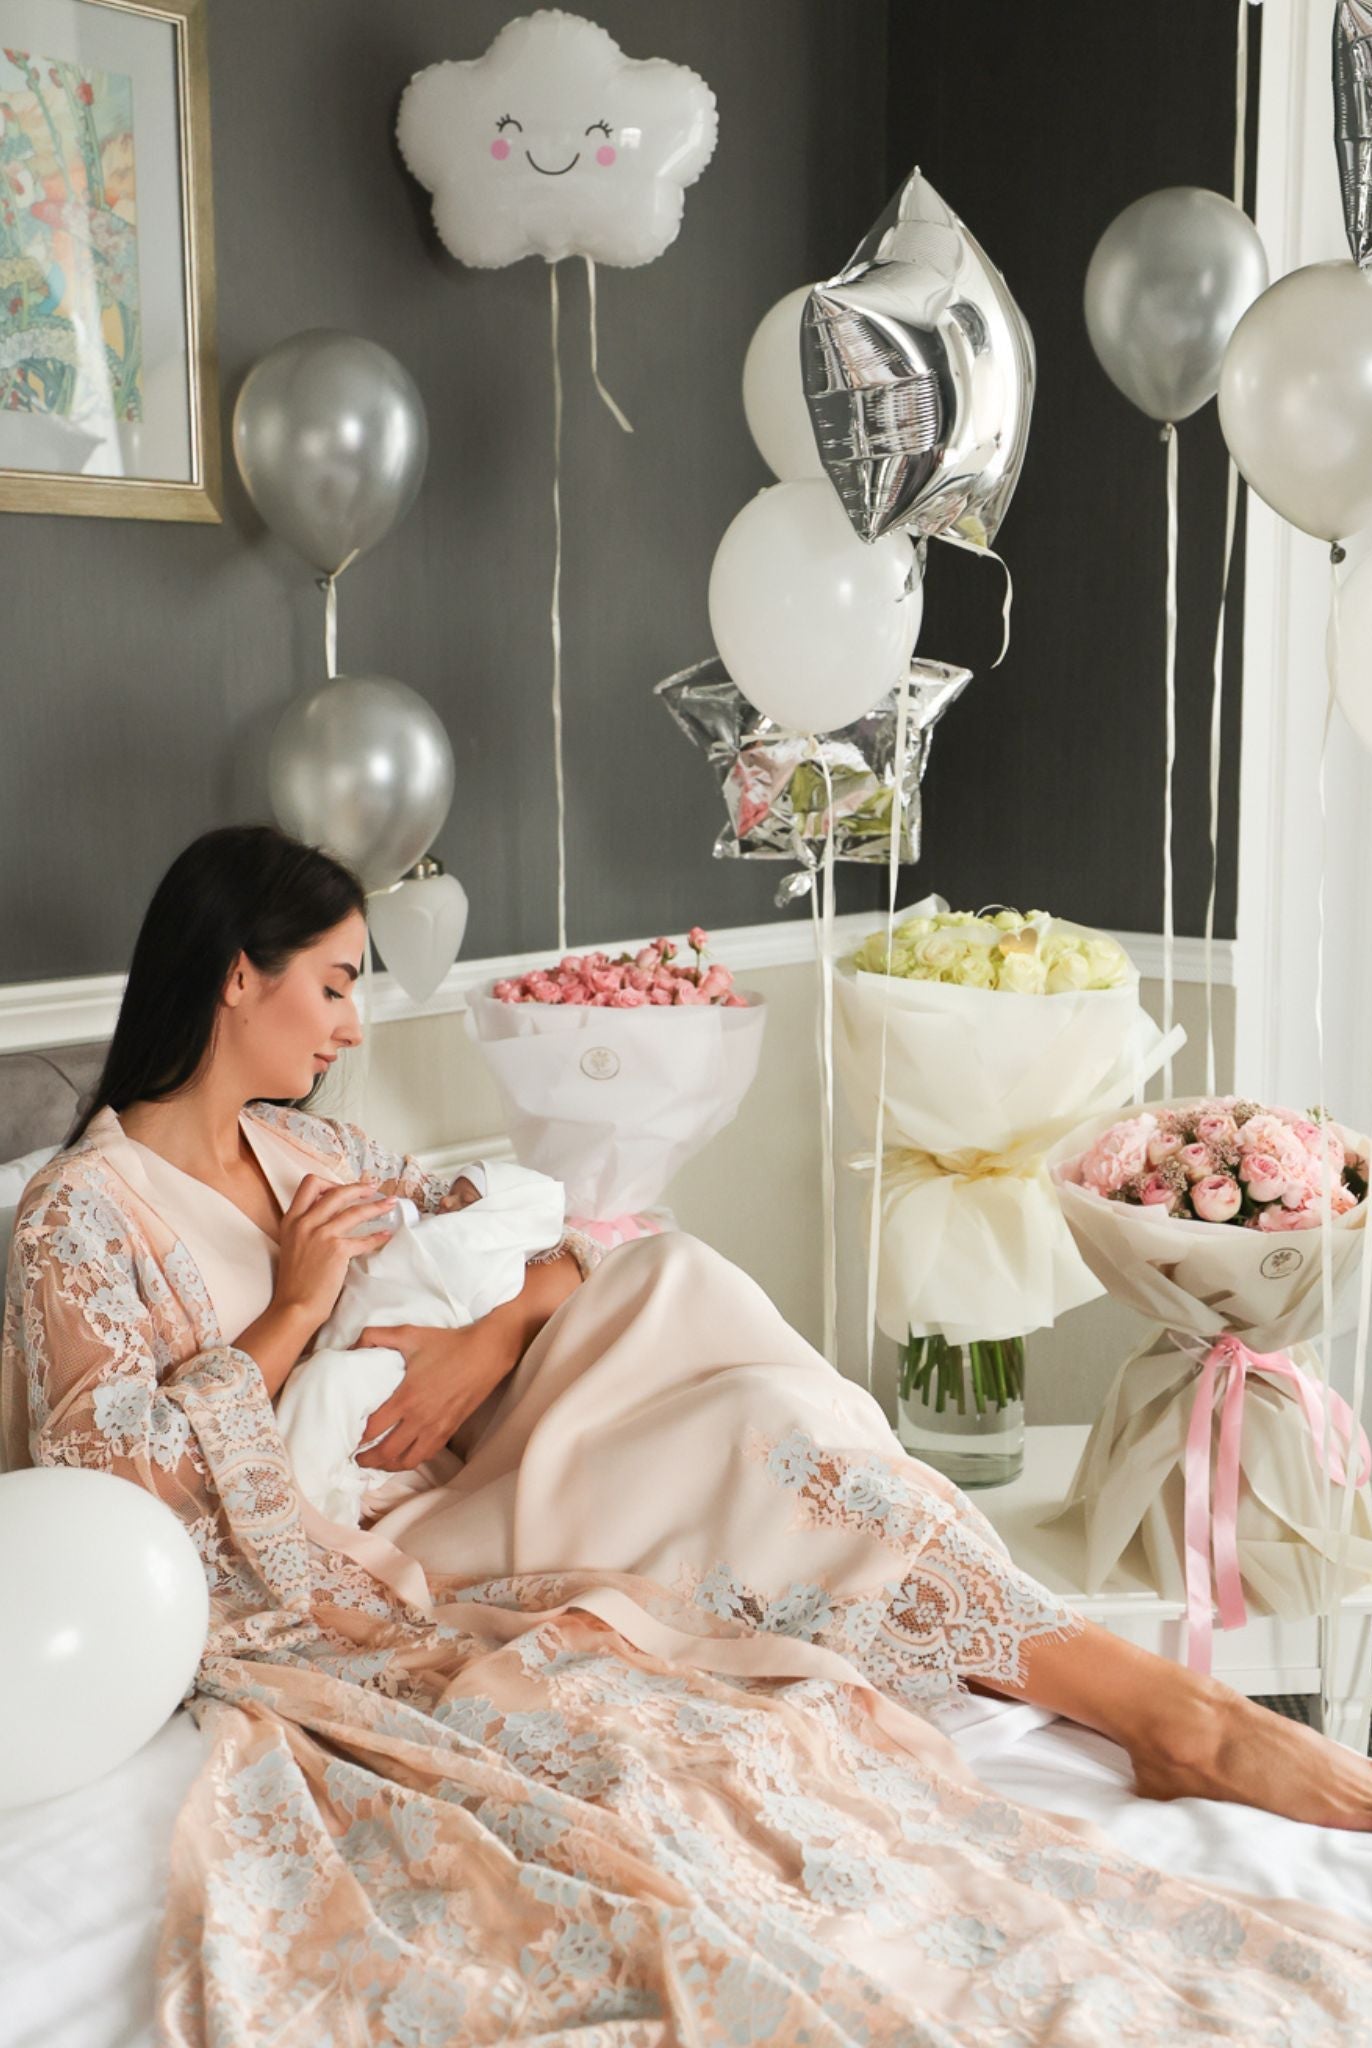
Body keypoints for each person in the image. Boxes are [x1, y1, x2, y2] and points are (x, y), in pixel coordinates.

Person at [5, 824, 1372, 2046]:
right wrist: (299, 1309)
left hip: (498, 1439)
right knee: (733, 1440)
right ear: (237, 973)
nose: (355, 1028)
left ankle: (1143, 1698)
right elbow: (104, 1474)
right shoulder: (78, 1212)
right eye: (339, 982)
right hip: (360, 1545)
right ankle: (1162, 1707)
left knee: (687, 1302)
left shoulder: (318, 1153)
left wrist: (490, 1334)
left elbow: (558, 1245)